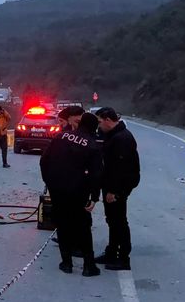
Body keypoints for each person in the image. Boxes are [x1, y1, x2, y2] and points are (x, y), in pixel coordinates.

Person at [41, 113, 103, 276]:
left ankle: (66, 263)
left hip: (57, 188)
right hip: (78, 190)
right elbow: (96, 174)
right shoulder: (92, 145)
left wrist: (49, 181)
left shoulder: (61, 136)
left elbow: (44, 160)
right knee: (83, 226)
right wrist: (94, 197)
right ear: (94, 128)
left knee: (62, 225)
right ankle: (89, 266)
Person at [94, 107, 140, 271]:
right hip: (111, 184)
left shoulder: (122, 138)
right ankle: (112, 252)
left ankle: (123, 257)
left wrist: (114, 191)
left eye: (99, 122)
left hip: (119, 186)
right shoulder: (113, 136)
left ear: (108, 120)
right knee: (112, 220)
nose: (98, 126)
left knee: (119, 221)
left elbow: (120, 168)